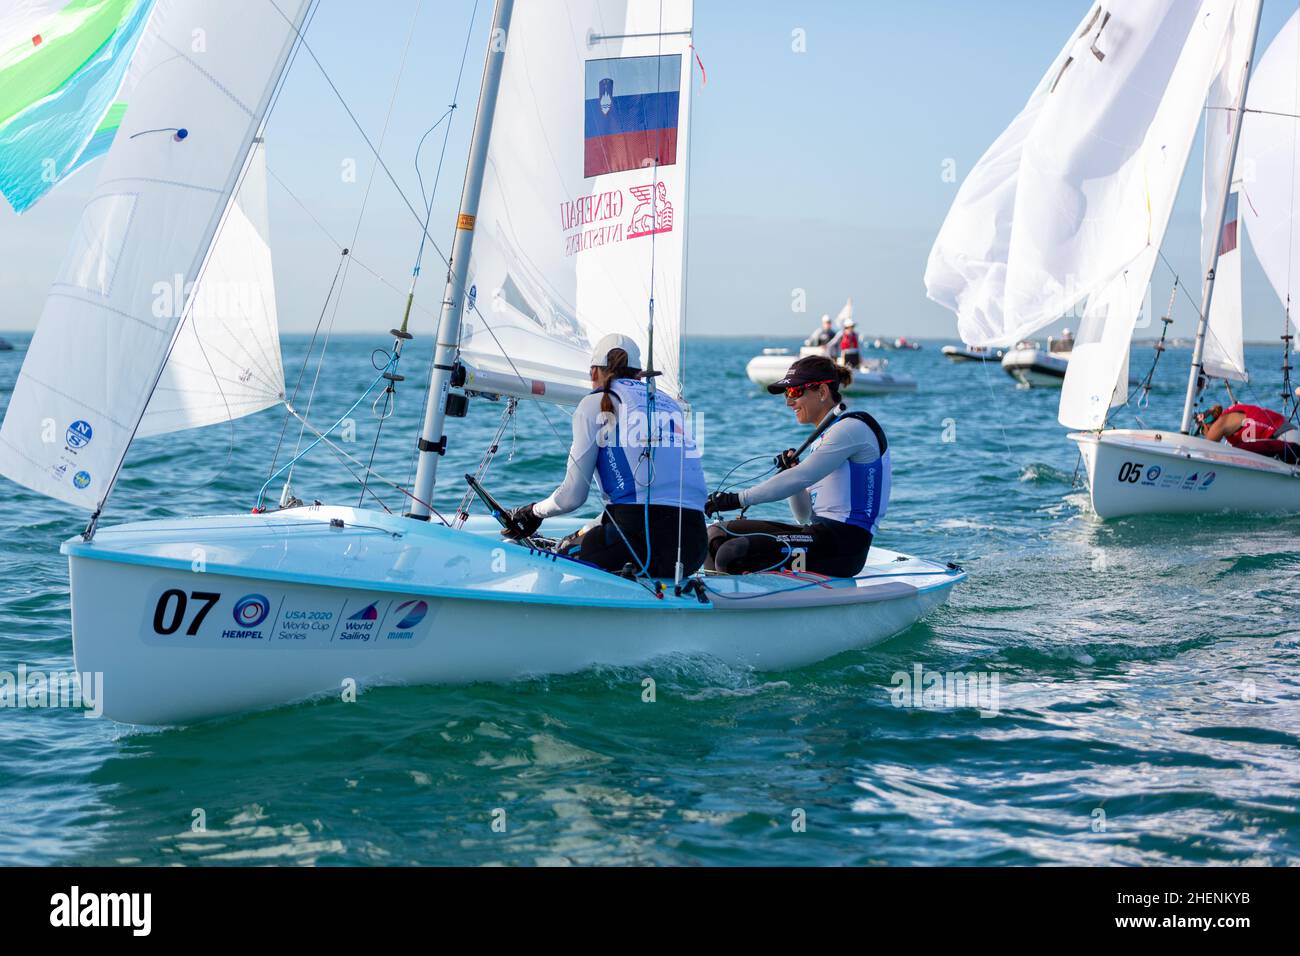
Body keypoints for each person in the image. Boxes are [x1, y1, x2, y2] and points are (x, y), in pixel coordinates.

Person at [504, 333, 709, 578]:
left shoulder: (594, 403)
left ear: (593, 373)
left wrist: (532, 513)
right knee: (592, 538)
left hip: (635, 546)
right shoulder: (669, 404)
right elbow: (653, 497)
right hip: (692, 550)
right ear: (639, 375)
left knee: (564, 554)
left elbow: (571, 497)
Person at [703, 355, 889, 577]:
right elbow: (803, 516)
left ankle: (738, 605)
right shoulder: (823, 437)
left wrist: (737, 499)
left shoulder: (852, 428)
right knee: (715, 535)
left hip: (845, 547)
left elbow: (802, 476)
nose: (788, 402)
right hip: (817, 533)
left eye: (794, 392)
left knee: (732, 554)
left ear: (821, 392)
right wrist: (792, 471)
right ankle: (717, 599)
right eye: (787, 393)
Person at [1199, 402, 1300, 464]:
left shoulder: (1220, 423)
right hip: (1284, 439)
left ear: (1206, 425)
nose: (1204, 435)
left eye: (1202, 432)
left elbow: (1207, 450)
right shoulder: (1229, 424)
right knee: (1239, 451)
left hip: (1287, 438)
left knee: (1238, 451)